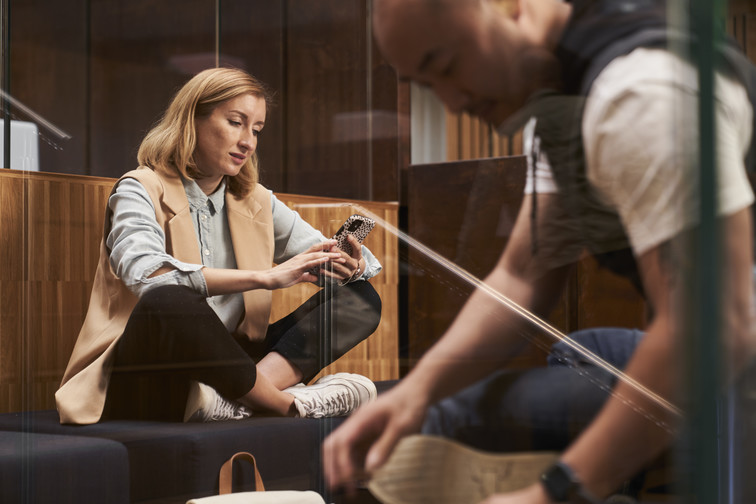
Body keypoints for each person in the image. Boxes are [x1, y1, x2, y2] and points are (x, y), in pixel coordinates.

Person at [323, 0, 756, 502]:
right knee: (577, 351)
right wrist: (416, 391)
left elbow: (715, 325)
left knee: (449, 420)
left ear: (511, 7)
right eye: (426, 85)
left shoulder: (637, 98)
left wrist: (558, 490)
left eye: (445, 66)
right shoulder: (560, 96)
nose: (450, 101)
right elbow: (526, 271)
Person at [56, 67, 383, 425]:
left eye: (256, 130)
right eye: (235, 123)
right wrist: (265, 278)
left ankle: (241, 398)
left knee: (360, 298)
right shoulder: (139, 188)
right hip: (156, 369)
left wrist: (350, 266)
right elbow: (147, 275)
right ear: (191, 120)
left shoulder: (256, 200)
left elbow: (326, 256)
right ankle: (281, 403)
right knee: (170, 299)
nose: (248, 141)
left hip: (233, 364)